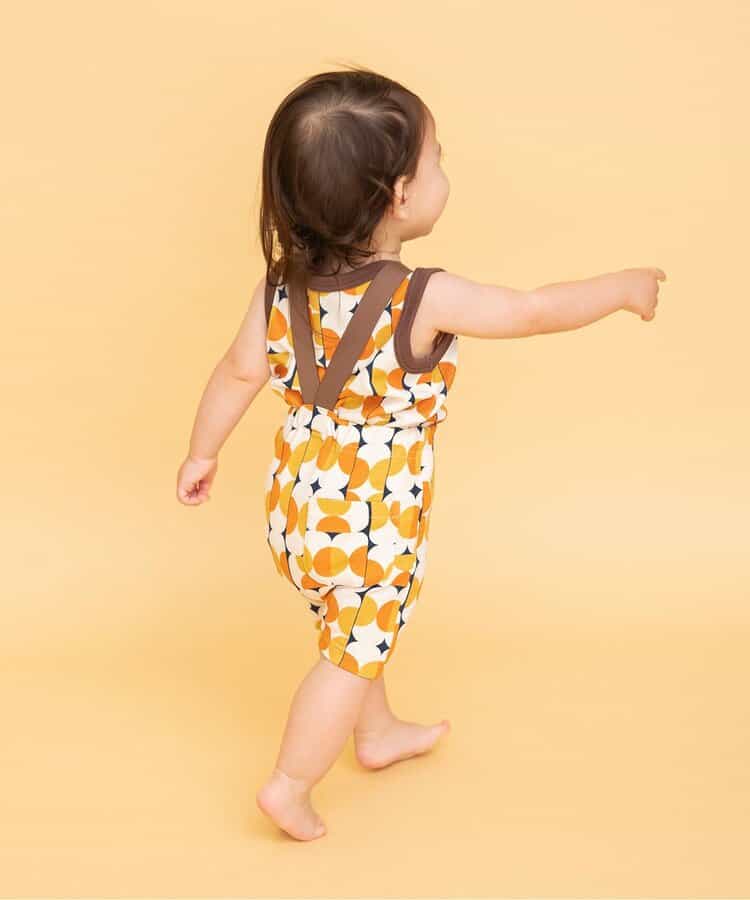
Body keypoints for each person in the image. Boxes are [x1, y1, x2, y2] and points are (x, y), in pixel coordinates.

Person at [175, 66, 666, 842]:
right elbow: (531, 311)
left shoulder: (279, 290)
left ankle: (376, 734)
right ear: (400, 197)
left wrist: (201, 453)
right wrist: (622, 287)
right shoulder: (421, 298)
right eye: (437, 158)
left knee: (350, 626)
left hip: (298, 506)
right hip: (371, 519)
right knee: (350, 652)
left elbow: (240, 371)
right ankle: (290, 784)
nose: (445, 170)